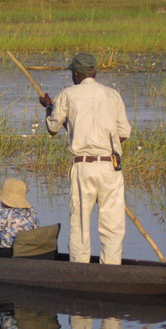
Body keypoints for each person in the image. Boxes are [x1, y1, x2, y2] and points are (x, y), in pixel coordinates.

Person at [40, 53, 131, 265]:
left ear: (76, 74)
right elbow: (124, 132)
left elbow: (53, 128)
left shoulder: (68, 94)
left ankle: (79, 268)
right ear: (94, 72)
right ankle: (111, 269)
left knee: (80, 221)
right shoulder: (112, 94)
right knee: (113, 223)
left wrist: (47, 106)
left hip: (83, 167)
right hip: (111, 167)